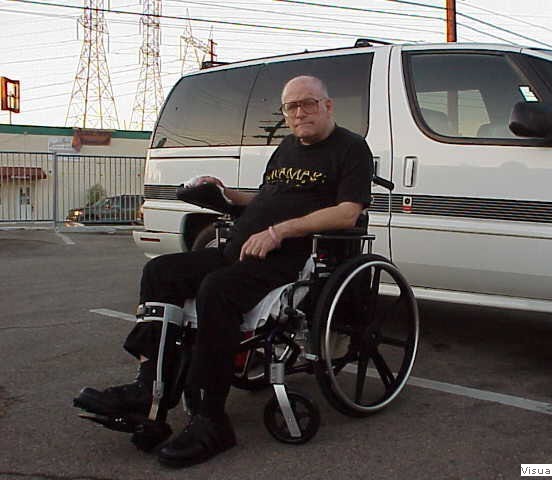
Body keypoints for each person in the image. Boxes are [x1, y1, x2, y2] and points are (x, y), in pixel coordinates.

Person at [74, 75, 373, 468]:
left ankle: (212, 419)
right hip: (238, 250)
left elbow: (348, 211)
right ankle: (150, 389)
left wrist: (278, 231)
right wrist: (224, 193)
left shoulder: (351, 148)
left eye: (308, 104)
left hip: (289, 259)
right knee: (161, 272)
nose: (299, 113)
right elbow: (265, 199)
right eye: (291, 107)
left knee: (217, 290)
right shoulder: (285, 147)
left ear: (328, 106)